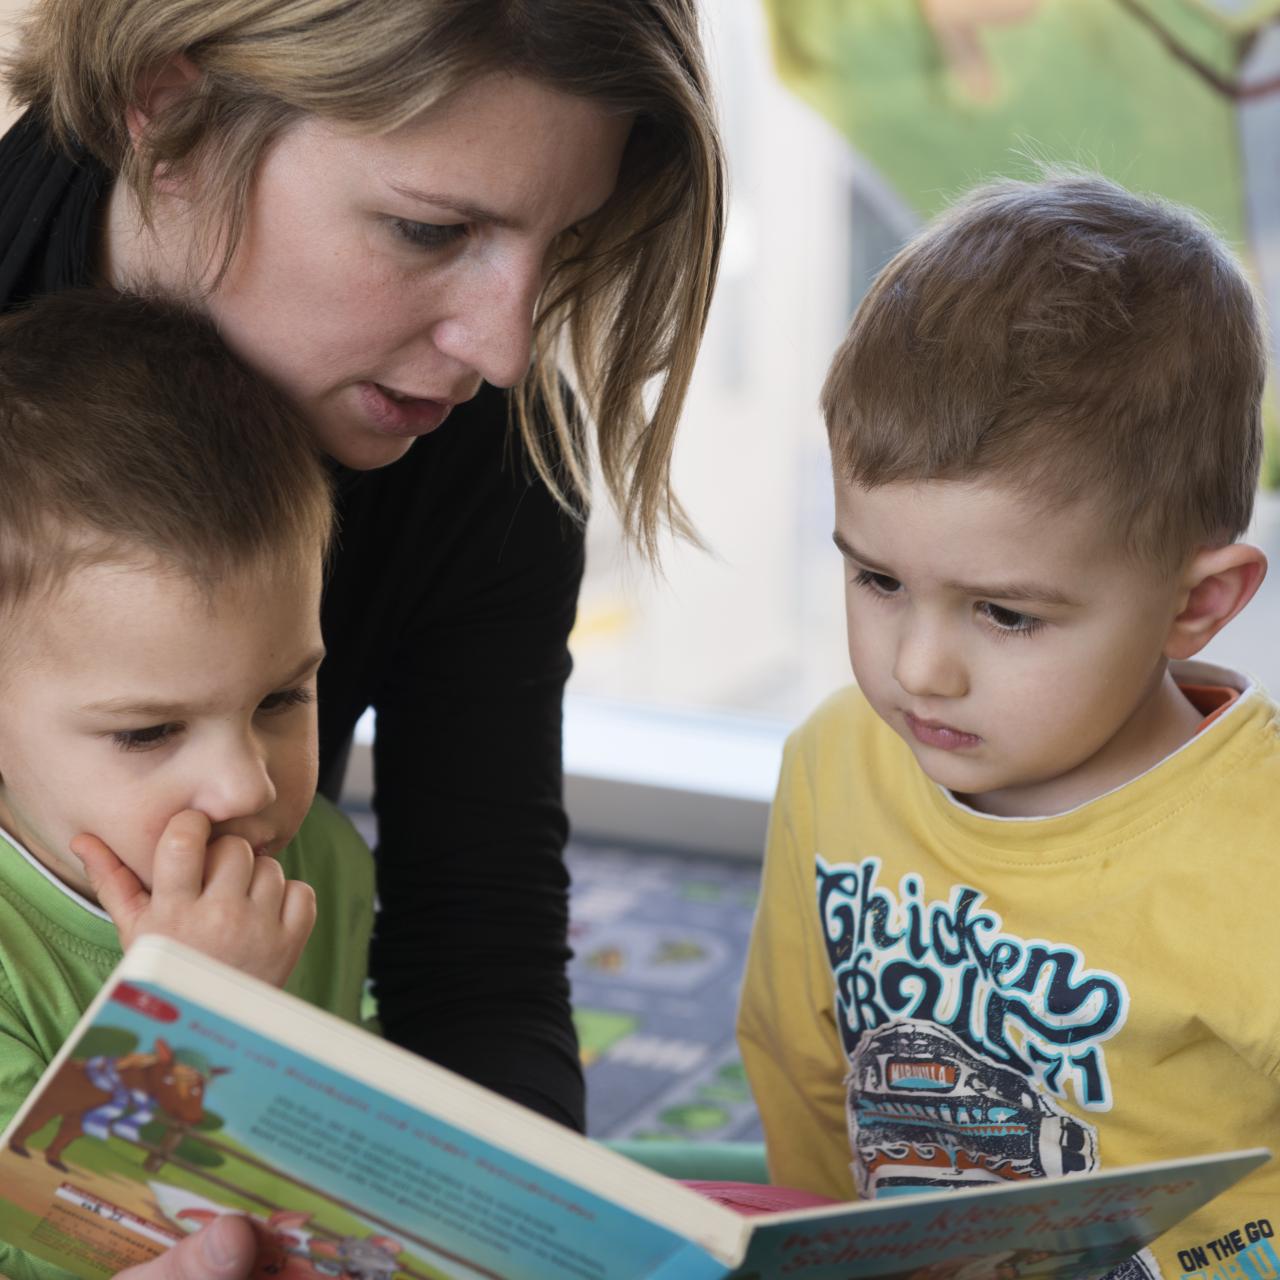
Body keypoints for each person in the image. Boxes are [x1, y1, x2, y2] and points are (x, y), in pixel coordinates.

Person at [0, 0, 725, 1139]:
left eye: (563, 241)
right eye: (429, 230)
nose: (502, 349)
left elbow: (476, 959)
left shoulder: (489, 451)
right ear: (170, 103)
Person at [736, 172, 1280, 1280]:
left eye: (1002, 612)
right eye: (877, 579)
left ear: (1194, 604)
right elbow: (800, 1060)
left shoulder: (1255, 852)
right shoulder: (835, 760)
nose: (916, 666)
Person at [0, 288, 374, 1280]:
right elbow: (57, 1248)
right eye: (150, 730)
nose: (245, 784)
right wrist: (190, 1015)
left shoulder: (314, 862)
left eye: (282, 697)